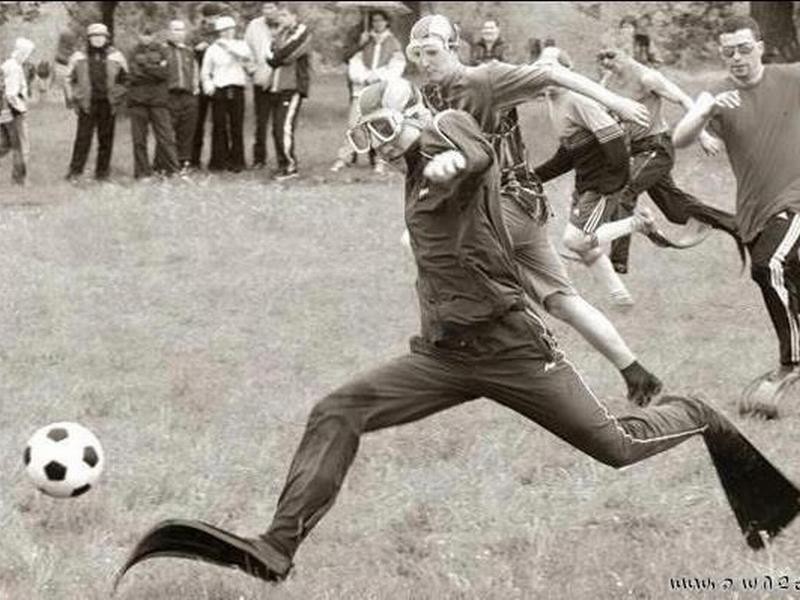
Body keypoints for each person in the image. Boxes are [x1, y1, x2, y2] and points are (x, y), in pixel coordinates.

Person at [115, 78, 800, 587]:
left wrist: (452, 159)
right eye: (367, 140)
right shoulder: (411, 172)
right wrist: (424, 164)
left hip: (513, 351)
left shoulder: (446, 132)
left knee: (616, 448)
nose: (381, 148)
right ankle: (274, 549)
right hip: (443, 356)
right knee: (337, 410)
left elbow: (472, 148)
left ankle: (700, 415)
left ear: (409, 115)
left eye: (385, 131)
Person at [407, 14, 661, 405]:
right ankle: (637, 373)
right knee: (562, 301)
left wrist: (614, 101)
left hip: (508, 202)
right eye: (418, 53)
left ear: (453, 49)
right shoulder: (432, 95)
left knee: (451, 257)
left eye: (433, 52)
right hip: (505, 207)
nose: (425, 61)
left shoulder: (485, 79)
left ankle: (505, 356)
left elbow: (550, 73)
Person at [673, 15, 800, 398]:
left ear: (760, 47)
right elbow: (680, 139)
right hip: (753, 210)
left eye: (745, 48)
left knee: (769, 265)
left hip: (795, 197)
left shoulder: (790, 77)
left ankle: (791, 363)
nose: (737, 57)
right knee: (790, 278)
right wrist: (705, 111)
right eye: (729, 51)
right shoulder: (716, 95)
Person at [597, 47, 742, 275]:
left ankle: (618, 261)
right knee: (675, 211)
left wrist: (702, 135)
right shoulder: (608, 79)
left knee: (624, 189)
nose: (606, 61)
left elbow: (684, 99)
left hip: (657, 147)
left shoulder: (647, 77)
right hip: (634, 150)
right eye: (602, 57)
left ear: (626, 53)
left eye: (611, 55)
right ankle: (735, 225)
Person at [532, 49, 655, 305]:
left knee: (575, 240)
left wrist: (611, 184)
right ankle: (620, 299)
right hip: (586, 182)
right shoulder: (554, 100)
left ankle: (638, 224)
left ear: (568, 71)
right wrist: (534, 176)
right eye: (540, 68)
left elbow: (615, 140)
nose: (547, 74)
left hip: (603, 183)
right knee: (585, 246)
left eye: (551, 67)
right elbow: (568, 154)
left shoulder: (578, 99)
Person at [331, 9, 405, 175]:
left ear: (386, 22)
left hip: (381, 90)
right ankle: (344, 157)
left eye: (380, 20)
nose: (377, 24)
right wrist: (363, 76)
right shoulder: (365, 40)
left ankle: (380, 161)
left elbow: (397, 66)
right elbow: (354, 62)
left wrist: (378, 76)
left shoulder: (393, 43)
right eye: (374, 21)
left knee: (380, 126)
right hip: (361, 90)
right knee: (354, 124)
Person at [64, 23, 128, 182]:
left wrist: (117, 95)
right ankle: (75, 172)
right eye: (94, 36)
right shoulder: (79, 56)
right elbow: (67, 79)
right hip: (87, 104)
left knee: (106, 139)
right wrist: (74, 98)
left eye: (101, 36)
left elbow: (126, 79)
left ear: (106, 38)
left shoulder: (116, 56)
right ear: (89, 38)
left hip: (108, 104)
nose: (98, 39)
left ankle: (102, 173)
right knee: (83, 139)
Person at [201, 15, 253, 173]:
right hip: (220, 89)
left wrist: (229, 48)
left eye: (231, 29)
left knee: (236, 126)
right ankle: (218, 162)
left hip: (236, 88)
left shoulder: (242, 45)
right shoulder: (212, 49)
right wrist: (208, 84)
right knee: (219, 125)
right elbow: (206, 71)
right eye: (225, 30)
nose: (229, 32)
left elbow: (246, 59)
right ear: (219, 32)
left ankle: (237, 162)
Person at [265, 5, 311, 180]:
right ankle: (282, 164)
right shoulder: (280, 33)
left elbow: (289, 53)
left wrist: (274, 59)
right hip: (276, 86)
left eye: (284, 15)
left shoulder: (302, 31)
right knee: (276, 128)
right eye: (279, 16)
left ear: (294, 16)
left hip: (292, 86)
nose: (280, 19)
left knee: (284, 127)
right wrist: (274, 56)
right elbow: (269, 51)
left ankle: (291, 168)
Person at [128, 25, 180, 179]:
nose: (146, 37)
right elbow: (132, 75)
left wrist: (144, 67)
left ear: (154, 35)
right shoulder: (132, 51)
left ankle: (172, 171)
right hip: (138, 101)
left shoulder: (163, 50)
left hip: (159, 101)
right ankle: (142, 173)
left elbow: (165, 73)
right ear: (138, 35)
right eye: (143, 34)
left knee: (166, 138)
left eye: (149, 34)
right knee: (139, 140)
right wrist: (154, 69)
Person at [155, 19, 199, 173]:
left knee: (186, 131)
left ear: (185, 33)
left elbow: (195, 71)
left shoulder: (189, 51)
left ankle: (183, 164)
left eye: (181, 30)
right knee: (166, 132)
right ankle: (162, 166)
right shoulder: (162, 50)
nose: (178, 33)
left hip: (187, 96)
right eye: (175, 29)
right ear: (168, 32)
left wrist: (195, 88)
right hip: (168, 95)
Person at [190, 5, 224, 170]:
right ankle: (193, 160)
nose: (213, 20)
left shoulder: (223, 31)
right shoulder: (196, 33)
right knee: (197, 122)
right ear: (204, 17)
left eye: (216, 16)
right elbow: (187, 54)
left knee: (219, 122)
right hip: (200, 80)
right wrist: (196, 49)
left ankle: (217, 161)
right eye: (210, 17)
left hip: (219, 80)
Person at [245, 2, 278, 169]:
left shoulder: (285, 24)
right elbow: (248, 50)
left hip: (280, 81)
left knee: (280, 123)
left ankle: (283, 157)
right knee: (261, 121)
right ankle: (259, 158)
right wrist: (253, 72)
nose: (268, 11)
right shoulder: (254, 26)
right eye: (265, 8)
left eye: (271, 8)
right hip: (260, 79)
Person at [0, 37, 35, 185]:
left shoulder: (8, 65)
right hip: (13, 111)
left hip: (4, 110)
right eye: (28, 53)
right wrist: (20, 108)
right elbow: (11, 93)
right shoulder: (14, 68)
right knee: (20, 146)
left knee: (5, 144)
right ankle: (19, 179)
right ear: (22, 52)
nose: (28, 56)